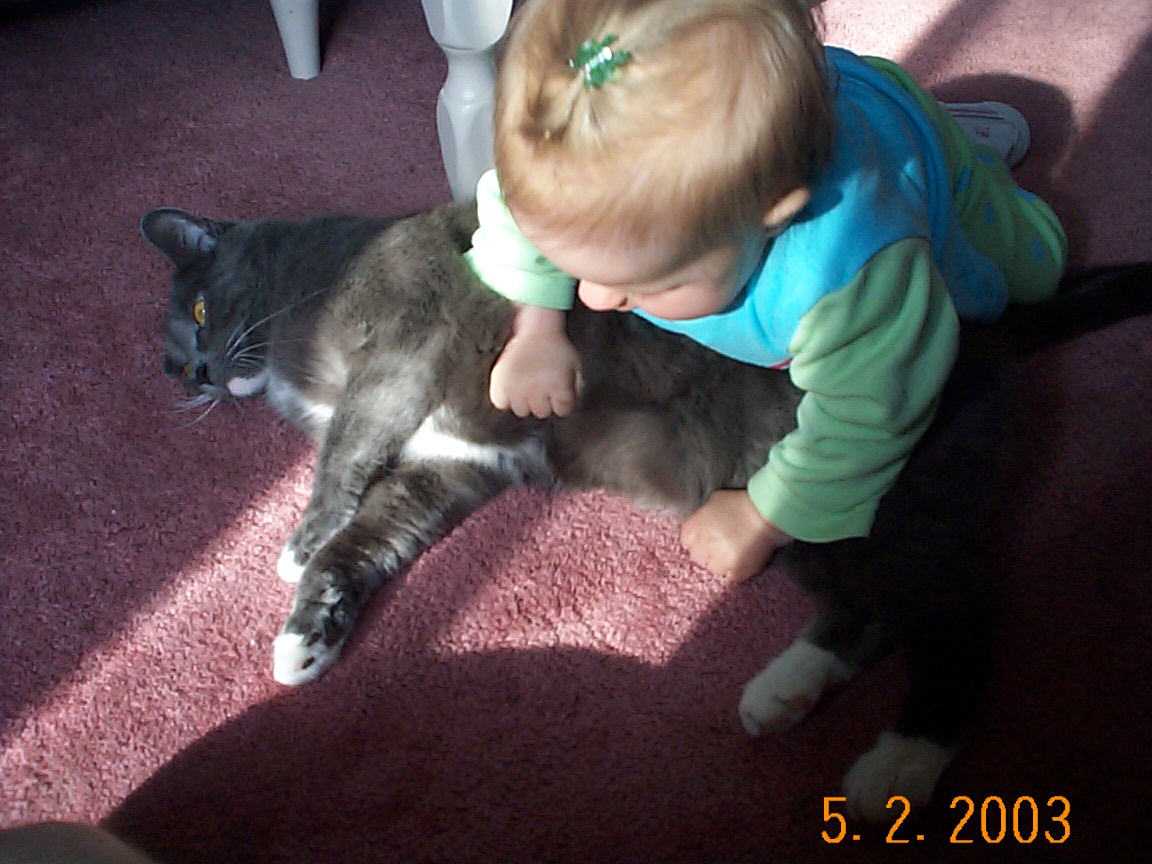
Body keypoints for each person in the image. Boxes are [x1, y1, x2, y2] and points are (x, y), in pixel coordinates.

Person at [464, 0, 1068, 581]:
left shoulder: (848, 274)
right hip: (808, 112)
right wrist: (536, 328)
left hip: (907, 143)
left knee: (1034, 274)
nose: (595, 299)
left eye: (653, 282)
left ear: (773, 219)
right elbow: (518, 216)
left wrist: (766, 515)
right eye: (577, 265)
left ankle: (960, 144)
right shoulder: (566, 178)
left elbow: (874, 409)